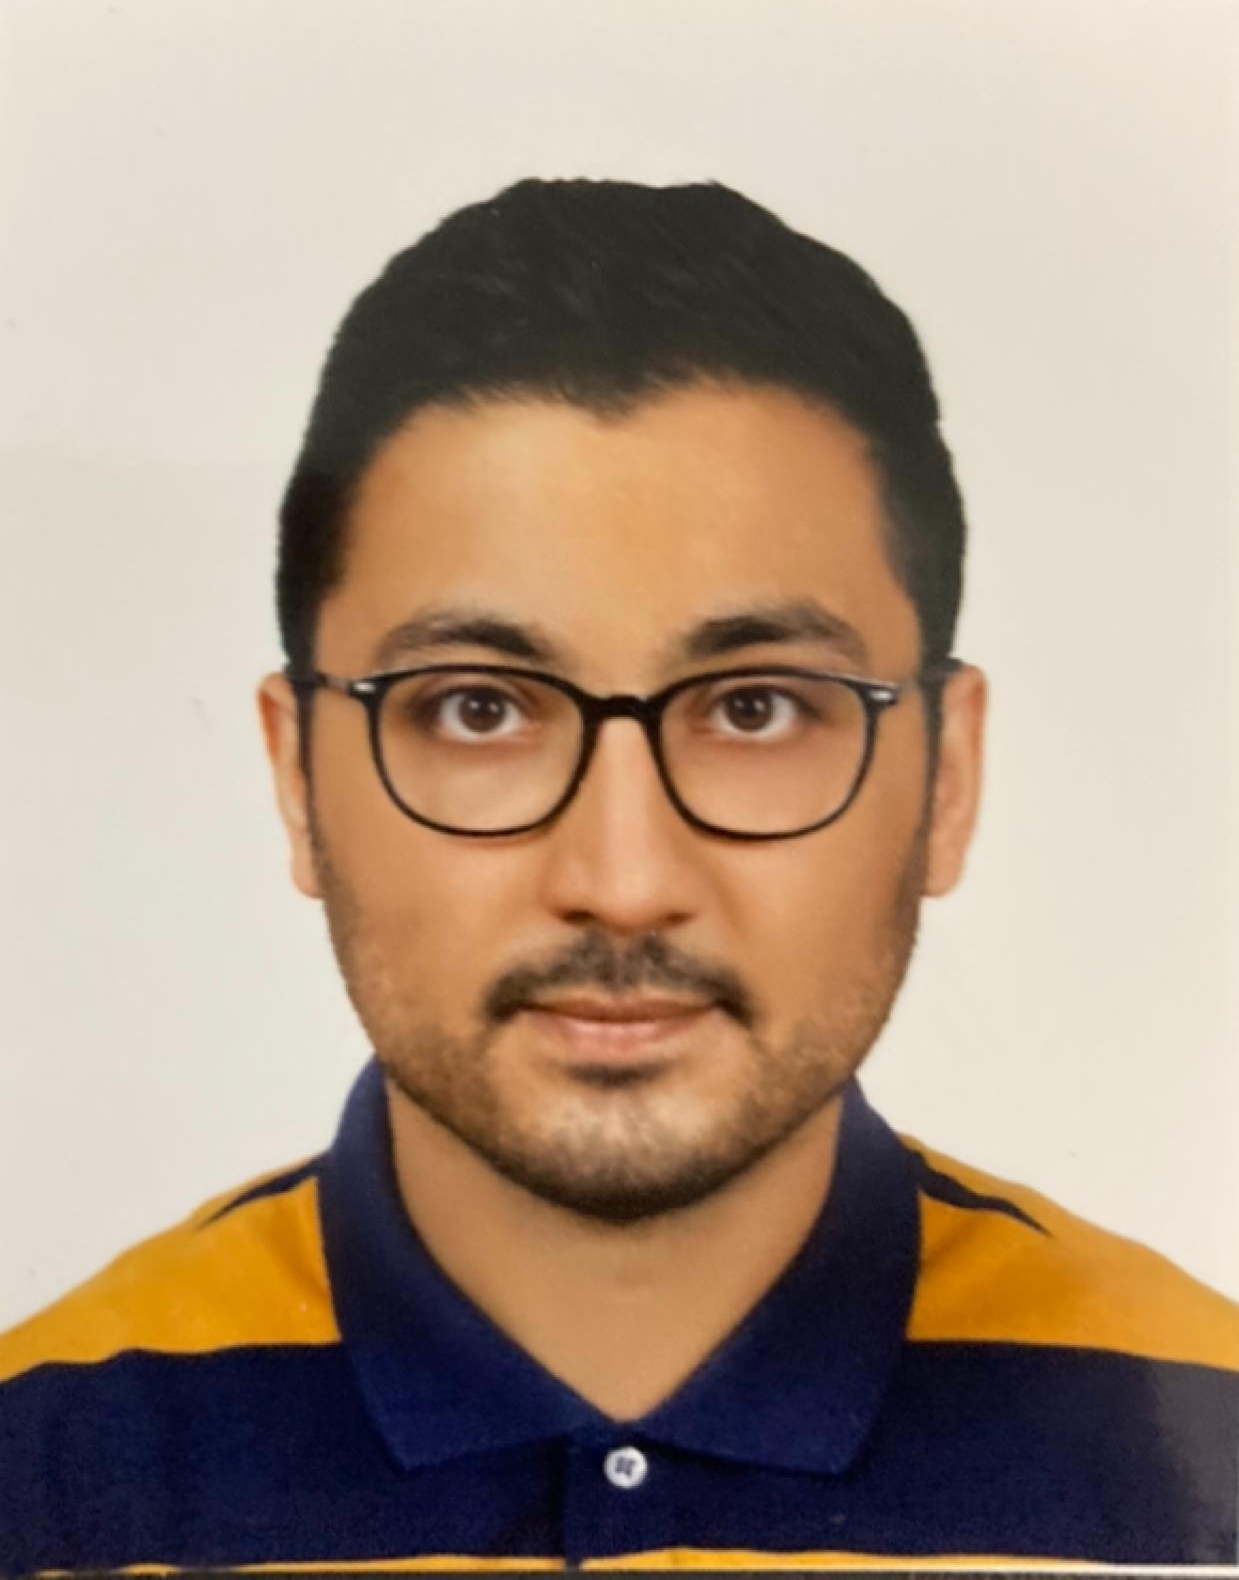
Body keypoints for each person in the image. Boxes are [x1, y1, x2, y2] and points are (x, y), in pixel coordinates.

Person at [1, 178, 1236, 1574]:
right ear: (298, 781)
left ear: (947, 779)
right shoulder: (37, 1475)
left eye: (757, 707)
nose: (625, 880)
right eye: (478, 708)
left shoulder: (1208, 1458)